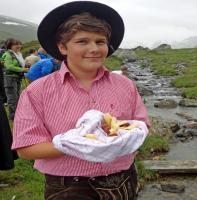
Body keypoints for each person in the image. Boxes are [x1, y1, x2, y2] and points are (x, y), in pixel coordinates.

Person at [12, 1, 150, 200]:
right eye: (82, 41)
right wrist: (68, 144)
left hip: (123, 179)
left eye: (100, 41)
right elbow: (25, 149)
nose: (94, 48)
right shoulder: (37, 92)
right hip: (67, 186)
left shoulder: (125, 85)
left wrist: (128, 137)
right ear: (62, 47)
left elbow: (142, 125)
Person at [2, 38, 29, 120]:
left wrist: (25, 66)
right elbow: (9, 66)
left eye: (19, 44)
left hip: (17, 78)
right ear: (10, 46)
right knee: (12, 98)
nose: (18, 46)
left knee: (17, 97)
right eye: (15, 44)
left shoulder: (18, 54)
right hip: (10, 78)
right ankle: (14, 116)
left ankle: (16, 115)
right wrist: (22, 69)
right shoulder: (8, 54)